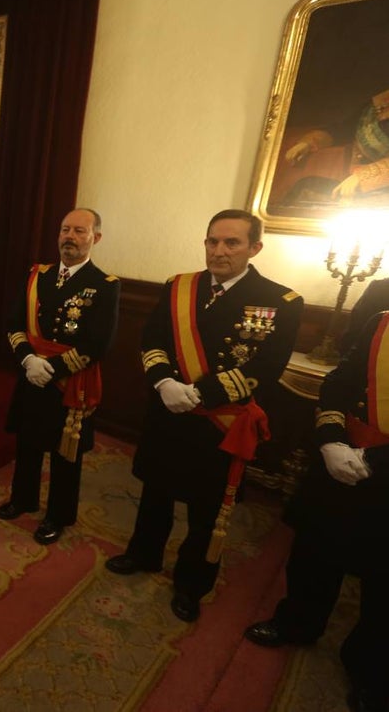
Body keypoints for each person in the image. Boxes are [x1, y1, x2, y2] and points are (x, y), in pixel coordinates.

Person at [105, 210, 303, 623]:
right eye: (212, 241)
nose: (219, 251)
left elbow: (265, 368)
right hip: (168, 408)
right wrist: (163, 383)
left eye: (231, 243)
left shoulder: (280, 300)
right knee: (156, 491)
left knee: (206, 508)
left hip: (219, 420)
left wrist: (199, 393)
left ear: (255, 248)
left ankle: (192, 583)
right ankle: (144, 554)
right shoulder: (180, 287)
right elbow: (153, 338)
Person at [243, 309, 388, 712]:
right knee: (313, 552)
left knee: (383, 582)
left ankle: (369, 669)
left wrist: (374, 462)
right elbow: (339, 384)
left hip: (383, 473)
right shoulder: (382, 321)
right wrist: (330, 441)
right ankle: (297, 622)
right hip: (341, 460)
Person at [0, 209, 120, 545]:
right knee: (28, 440)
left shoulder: (105, 286)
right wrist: (28, 361)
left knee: (66, 453)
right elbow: (15, 323)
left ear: (96, 238)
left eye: (80, 231)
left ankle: (58, 515)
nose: (70, 237)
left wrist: (52, 368)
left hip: (69, 380)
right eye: (65, 229)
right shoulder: (39, 275)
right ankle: (23, 498)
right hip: (31, 372)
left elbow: (99, 343)